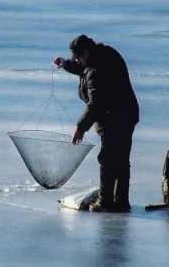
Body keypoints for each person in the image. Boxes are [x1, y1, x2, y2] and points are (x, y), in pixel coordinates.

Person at [53, 35, 139, 212]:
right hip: (127, 114)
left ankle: (105, 201)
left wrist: (80, 127)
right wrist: (65, 64)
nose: (79, 61)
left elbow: (96, 104)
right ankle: (121, 201)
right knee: (121, 158)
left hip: (114, 117)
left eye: (79, 58)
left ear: (86, 52)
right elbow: (85, 69)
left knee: (107, 159)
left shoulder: (95, 68)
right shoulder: (103, 55)